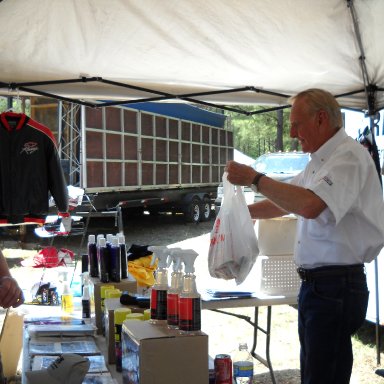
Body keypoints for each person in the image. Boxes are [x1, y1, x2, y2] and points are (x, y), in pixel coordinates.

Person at [226, 88, 384, 384]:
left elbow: (309, 205)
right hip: (321, 286)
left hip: (336, 285)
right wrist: (237, 213)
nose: (292, 132)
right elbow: (284, 201)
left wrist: (255, 178)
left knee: (323, 375)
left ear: (321, 119)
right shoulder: (321, 160)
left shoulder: (348, 156)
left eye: (297, 123)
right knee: (315, 372)